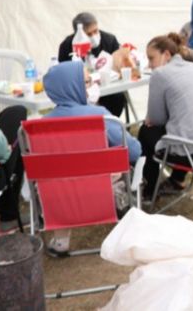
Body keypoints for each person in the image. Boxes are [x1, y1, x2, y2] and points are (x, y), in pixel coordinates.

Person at [42, 61, 141, 256]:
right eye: (87, 82)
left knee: (59, 178)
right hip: (103, 192)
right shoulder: (101, 117)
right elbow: (134, 151)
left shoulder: (40, 127)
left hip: (59, 196)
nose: (90, 87)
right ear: (74, 86)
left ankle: (61, 241)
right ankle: (128, 232)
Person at [139, 33, 193, 199]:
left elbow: (156, 119)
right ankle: (177, 180)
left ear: (166, 55)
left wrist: (152, 118)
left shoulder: (160, 74)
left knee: (145, 131)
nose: (150, 65)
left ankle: (150, 190)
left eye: (151, 58)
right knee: (185, 124)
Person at [57, 12, 126, 117]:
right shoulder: (67, 46)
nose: (94, 36)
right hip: (81, 92)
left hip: (108, 87)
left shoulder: (109, 40)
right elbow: (64, 75)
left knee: (119, 97)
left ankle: (109, 125)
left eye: (95, 31)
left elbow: (120, 64)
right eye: (89, 34)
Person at [0, 105, 27, 234]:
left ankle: (9, 214)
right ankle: (8, 216)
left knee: (13, 113)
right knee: (18, 113)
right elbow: (1, 151)